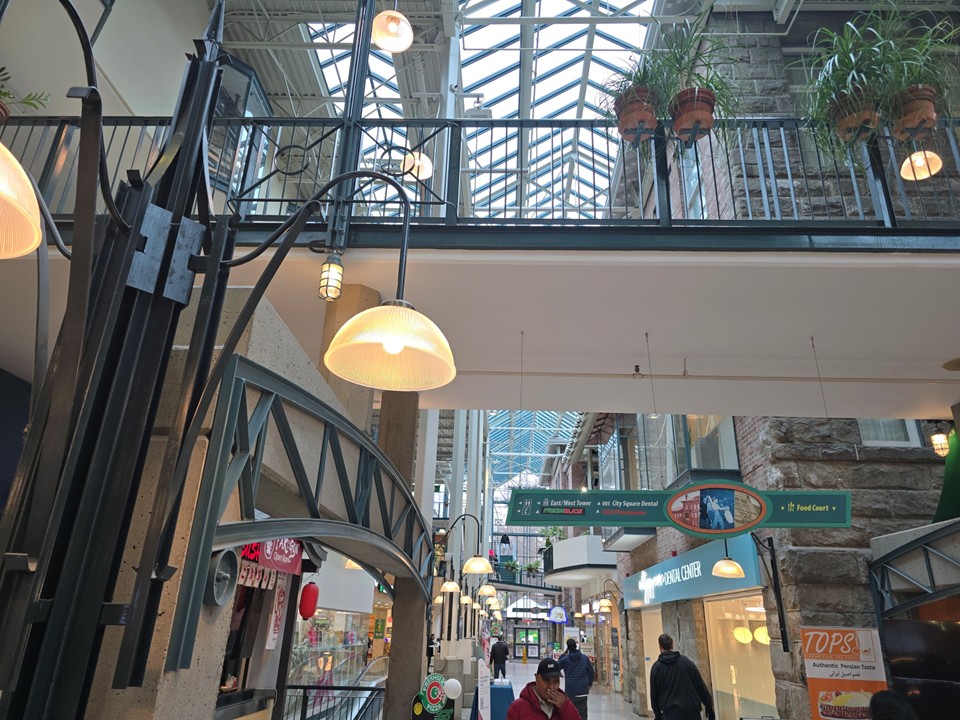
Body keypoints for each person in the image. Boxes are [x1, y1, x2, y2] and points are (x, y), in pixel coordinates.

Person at [649, 633, 715, 720]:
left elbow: (654, 695)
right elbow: (700, 686)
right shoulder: (687, 663)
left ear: (660, 647)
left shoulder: (656, 668)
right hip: (691, 712)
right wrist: (709, 707)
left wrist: (657, 714)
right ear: (672, 645)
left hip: (670, 714)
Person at [506, 658, 582, 720]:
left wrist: (566, 707)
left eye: (555, 681)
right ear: (537, 678)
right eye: (546, 680)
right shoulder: (518, 708)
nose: (551, 686)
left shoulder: (564, 705)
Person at [557, 638, 593, 719]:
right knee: (582, 715)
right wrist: (589, 685)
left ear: (568, 647)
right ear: (576, 646)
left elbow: (556, 667)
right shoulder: (585, 658)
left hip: (570, 691)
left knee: (570, 714)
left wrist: (563, 654)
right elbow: (591, 672)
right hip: (582, 691)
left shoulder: (565, 659)